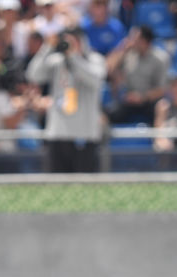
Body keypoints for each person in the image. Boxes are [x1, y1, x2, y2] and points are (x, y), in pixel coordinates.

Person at [26, 28, 106, 172]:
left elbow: (95, 81)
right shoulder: (57, 61)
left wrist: (74, 57)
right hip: (58, 134)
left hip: (85, 135)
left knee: (86, 187)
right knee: (56, 187)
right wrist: (47, 47)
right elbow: (33, 75)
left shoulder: (95, 60)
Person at [106, 25, 170, 125]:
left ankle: (160, 139)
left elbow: (162, 89)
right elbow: (108, 69)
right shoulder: (129, 54)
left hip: (150, 101)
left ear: (144, 41)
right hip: (129, 100)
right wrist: (122, 48)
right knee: (107, 114)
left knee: (162, 109)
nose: (131, 41)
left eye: (134, 38)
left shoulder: (161, 59)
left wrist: (142, 97)